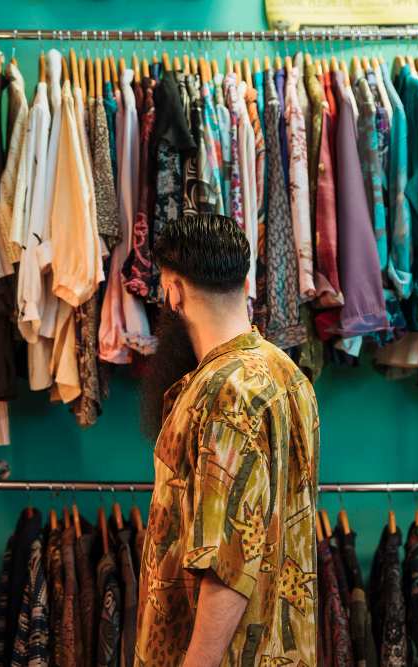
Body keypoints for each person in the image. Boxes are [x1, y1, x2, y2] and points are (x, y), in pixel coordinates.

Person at [135, 214, 319, 667]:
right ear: (243, 280)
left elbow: (226, 566)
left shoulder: (225, 392)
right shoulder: (287, 374)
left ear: (174, 290)